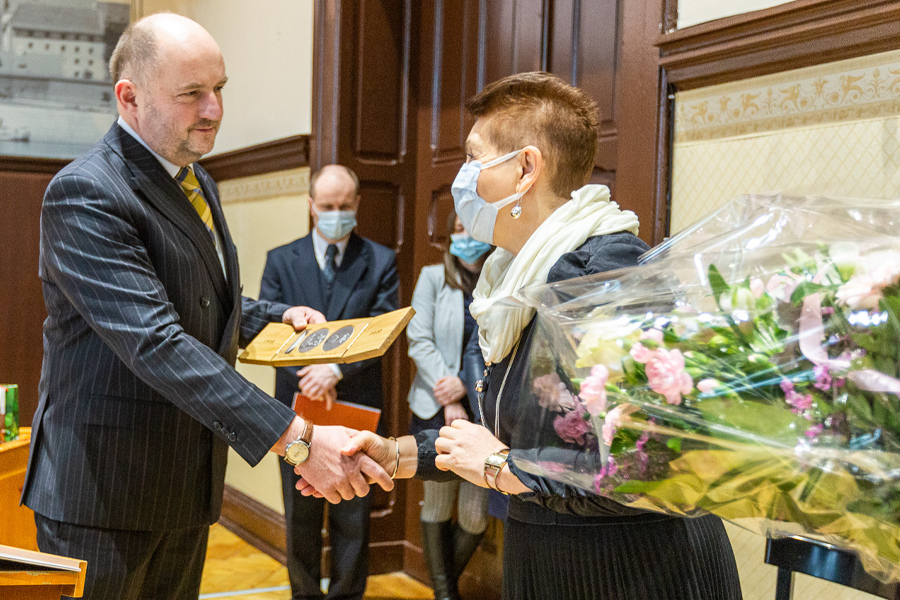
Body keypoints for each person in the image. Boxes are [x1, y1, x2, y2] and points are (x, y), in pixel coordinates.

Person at [322, 72, 743, 600]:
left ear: (525, 168)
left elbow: (647, 467)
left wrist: (499, 468)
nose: (463, 178)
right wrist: (396, 454)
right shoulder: (514, 277)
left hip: (633, 570)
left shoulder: (602, 275)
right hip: (556, 559)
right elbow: (515, 438)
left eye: (474, 158)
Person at [22, 15, 390, 600]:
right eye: (193, 93)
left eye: (220, 89)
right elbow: (156, 341)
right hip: (104, 490)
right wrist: (296, 439)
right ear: (130, 96)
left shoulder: (197, 179)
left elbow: (201, 298)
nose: (215, 109)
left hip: (185, 481)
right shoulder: (86, 192)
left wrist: (275, 317)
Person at [259, 164, 399, 600]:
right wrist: (310, 379)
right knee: (299, 514)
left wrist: (334, 371)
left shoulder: (380, 260)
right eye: (326, 206)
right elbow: (270, 331)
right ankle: (303, 594)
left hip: (354, 404)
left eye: (343, 206)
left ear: (357, 205)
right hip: (296, 407)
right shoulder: (281, 259)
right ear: (310, 206)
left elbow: (382, 328)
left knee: (352, 514)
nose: (336, 213)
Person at [406, 210, 490, 600]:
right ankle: (445, 595)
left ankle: (444, 588)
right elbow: (418, 339)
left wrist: (466, 389)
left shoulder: (502, 275)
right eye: (457, 229)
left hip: (484, 410)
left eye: (470, 227)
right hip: (435, 404)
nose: (463, 235)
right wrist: (451, 391)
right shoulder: (432, 277)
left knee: (475, 518)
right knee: (437, 504)